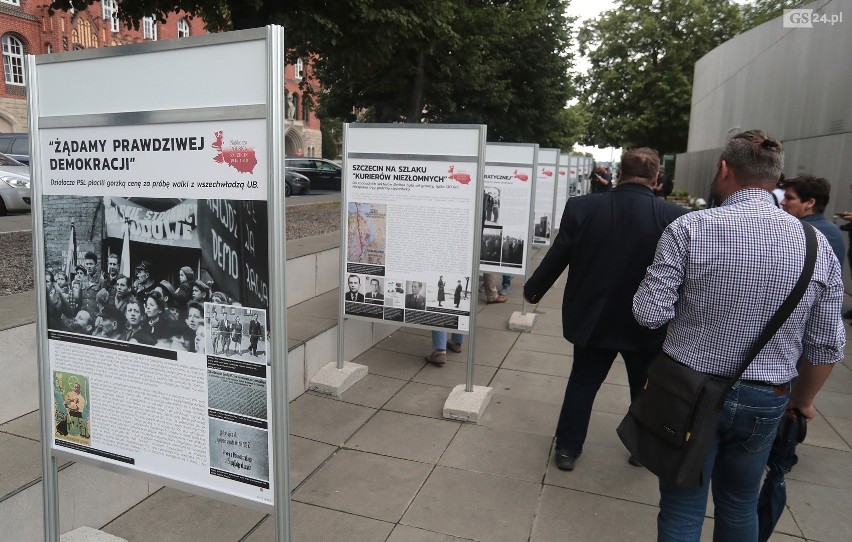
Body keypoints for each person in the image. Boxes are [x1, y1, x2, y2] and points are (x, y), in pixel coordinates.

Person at [633, 130, 845, 541]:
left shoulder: (690, 228)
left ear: (725, 169)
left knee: (681, 507)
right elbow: (827, 345)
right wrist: (802, 404)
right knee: (739, 503)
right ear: (775, 179)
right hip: (767, 398)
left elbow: (648, 313)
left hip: (687, 391)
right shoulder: (817, 245)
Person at [523, 147, 688, 472]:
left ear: (618, 173)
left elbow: (559, 253)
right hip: (647, 322)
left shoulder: (583, 207)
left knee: (583, 383)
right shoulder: (674, 217)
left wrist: (533, 290)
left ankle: (568, 449)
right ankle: (639, 449)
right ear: (656, 177)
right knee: (644, 386)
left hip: (592, 319)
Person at [780, 175, 845, 266]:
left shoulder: (801, 230)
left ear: (810, 203)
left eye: (789, 198)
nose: (782, 202)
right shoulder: (832, 229)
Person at [77, 252, 106, 317]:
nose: (89, 266)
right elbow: (79, 301)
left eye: (91, 264)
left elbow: (103, 303)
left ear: (96, 265)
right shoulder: (82, 281)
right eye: (87, 264)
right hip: (83, 316)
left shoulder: (101, 281)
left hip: (95, 317)